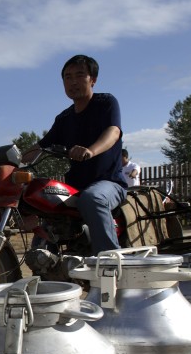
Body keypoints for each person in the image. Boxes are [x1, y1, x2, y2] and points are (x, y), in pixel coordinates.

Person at [36, 55, 127, 255]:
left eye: (79, 75)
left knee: (92, 198)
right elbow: (39, 148)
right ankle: (44, 266)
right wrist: (8, 160)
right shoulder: (64, 118)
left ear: (92, 79)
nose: (73, 81)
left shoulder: (106, 103)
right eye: (67, 77)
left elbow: (113, 132)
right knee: (42, 201)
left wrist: (90, 150)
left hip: (109, 183)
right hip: (74, 188)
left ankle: (110, 262)